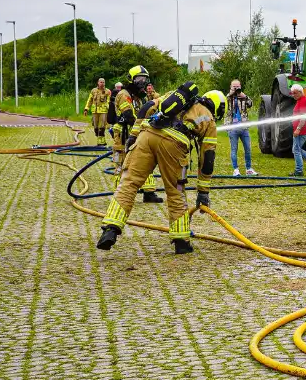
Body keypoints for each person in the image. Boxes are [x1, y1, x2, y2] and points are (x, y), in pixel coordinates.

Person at [98, 90, 226, 254]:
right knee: (176, 191)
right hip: (174, 144)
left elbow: (147, 108)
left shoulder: (176, 96)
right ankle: (181, 242)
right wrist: (203, 192)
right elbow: (207, 158)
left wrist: (134, 135)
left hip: (147, 135)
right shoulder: (209, 118)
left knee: (129, 183)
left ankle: (111, 228)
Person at [113, 66, 162, 204]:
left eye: (145, 78)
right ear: (131, 79)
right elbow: (129, 115)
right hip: (123, 135)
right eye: (139, 78)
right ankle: (119, 195)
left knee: (146, 160)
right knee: (122, 164)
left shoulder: (139, 98)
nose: (143, 81)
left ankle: (149, 193)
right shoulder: (124, 95)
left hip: (137, 134)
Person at [226, 79, 256, 176]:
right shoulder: (228, 97)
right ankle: (236, 169)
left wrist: (245, 96)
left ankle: (249, 169)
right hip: (232, 127)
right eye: (234, 87)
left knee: (248, 148)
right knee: (234, 149)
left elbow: (251, 104)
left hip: (243, 127)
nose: (236, 89)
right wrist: (231, 94)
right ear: (231, 87)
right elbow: (225, 104)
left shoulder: (243, 96)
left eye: (237, 87)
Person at [84, 78, 112, 146]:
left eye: (103, 82)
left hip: (103, 111)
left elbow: (109, 101)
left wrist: (109, 109)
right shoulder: (93, 91)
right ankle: (101, 139)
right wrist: (86, 109)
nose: (102, 84)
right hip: (95, 111)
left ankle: (101, 143)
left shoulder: (107, 91)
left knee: (101, 127)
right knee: (95, 128)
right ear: (98, 83)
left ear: (105, 83)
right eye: (101, 82)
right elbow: (89, 100)